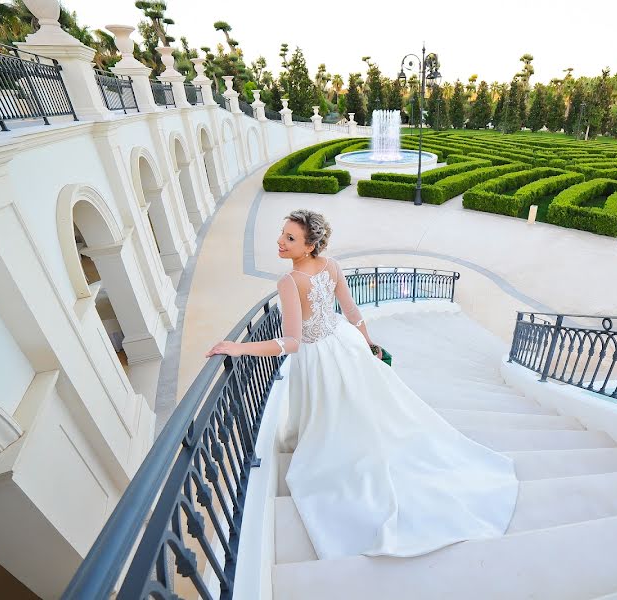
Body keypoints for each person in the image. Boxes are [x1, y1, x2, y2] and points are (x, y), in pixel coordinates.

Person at [206, 209, 518, 560]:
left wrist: (239, 348)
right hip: (347, 343)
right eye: (282, 234)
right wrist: (368, 345)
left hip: (320, 358)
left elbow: (292, 342)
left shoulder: (289, 282)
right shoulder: (332, 266)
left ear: (309, 246)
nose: (280, 241)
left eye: (290, 238)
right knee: (362, 404)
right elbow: (352, 314)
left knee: (335, 411)